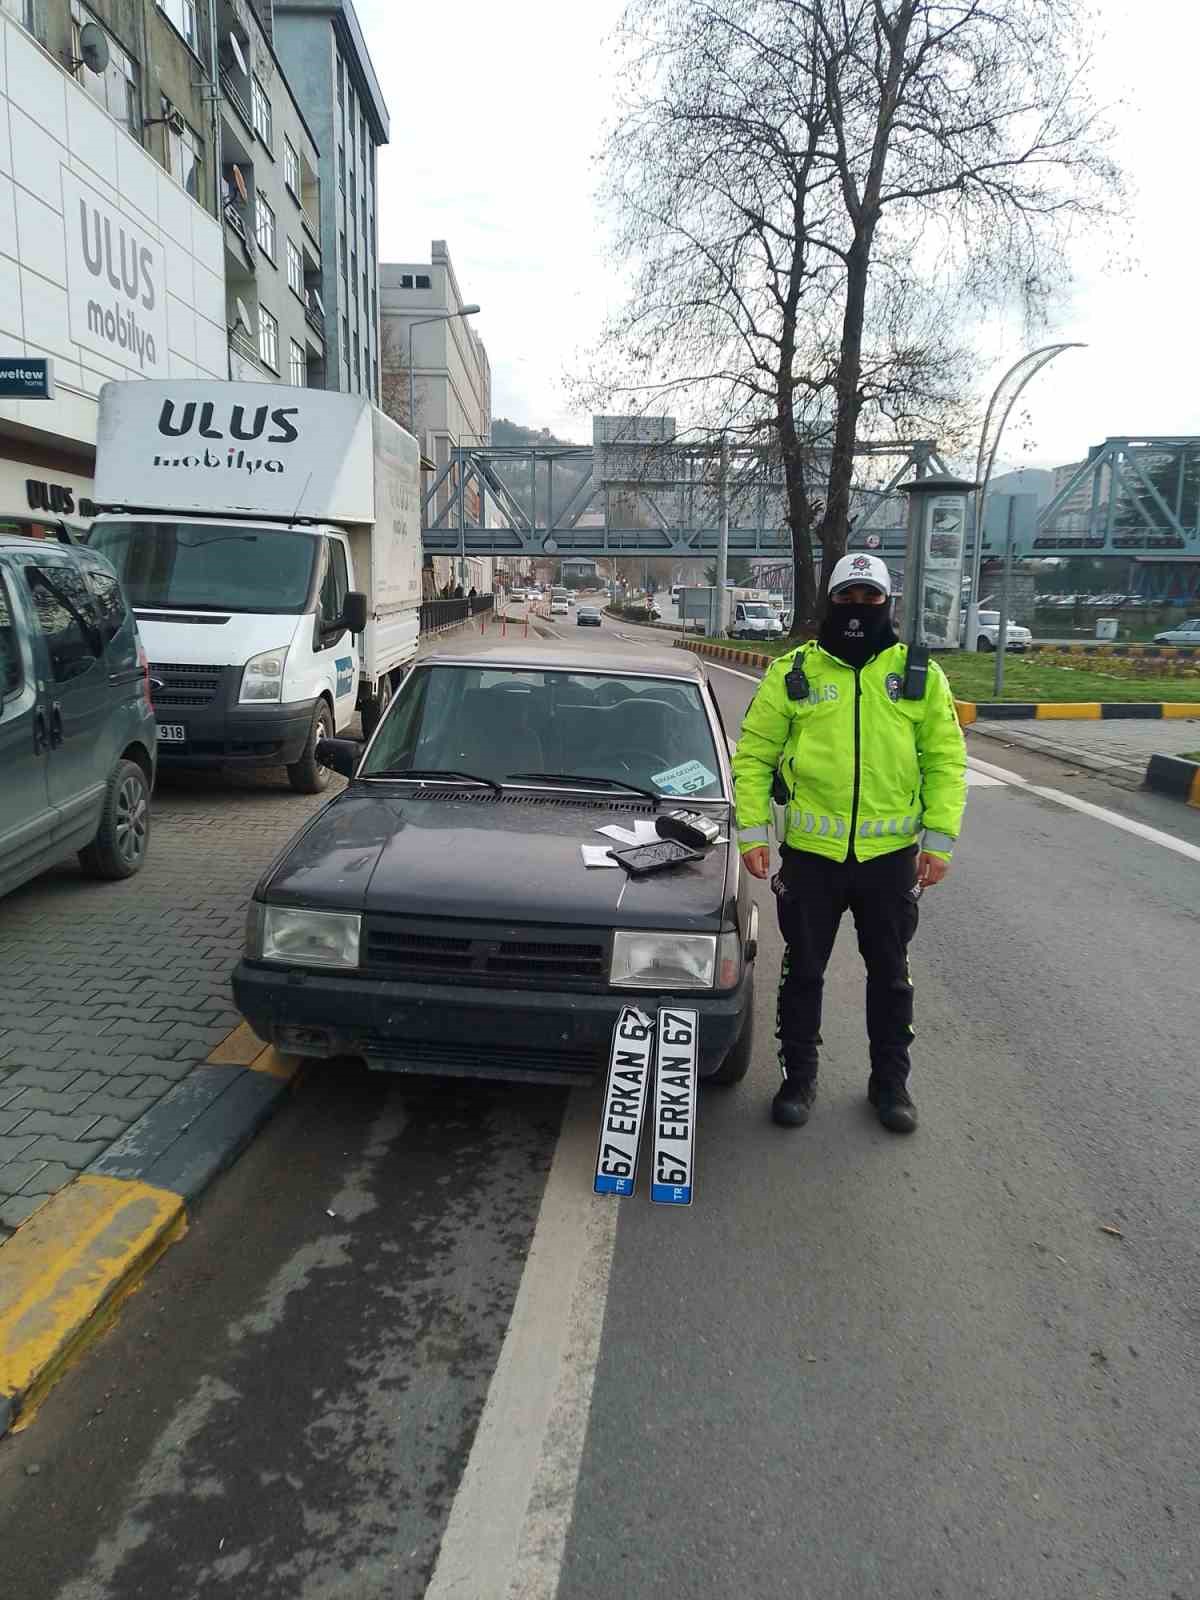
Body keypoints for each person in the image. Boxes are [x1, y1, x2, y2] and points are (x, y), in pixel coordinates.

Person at [731, 553, 967, 1134]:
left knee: (891, 977)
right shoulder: (793, 672)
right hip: (812, 858)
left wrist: (938, 841)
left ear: (887, 603)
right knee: (803, 973)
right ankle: (798, 1079)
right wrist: (753, 833)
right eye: (846, 597)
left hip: (890, 860)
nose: (858, 608)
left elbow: (944, 761)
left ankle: (891, 1084)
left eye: (870, 598)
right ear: (829, 601)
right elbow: (755, 756)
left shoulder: (919, 675)